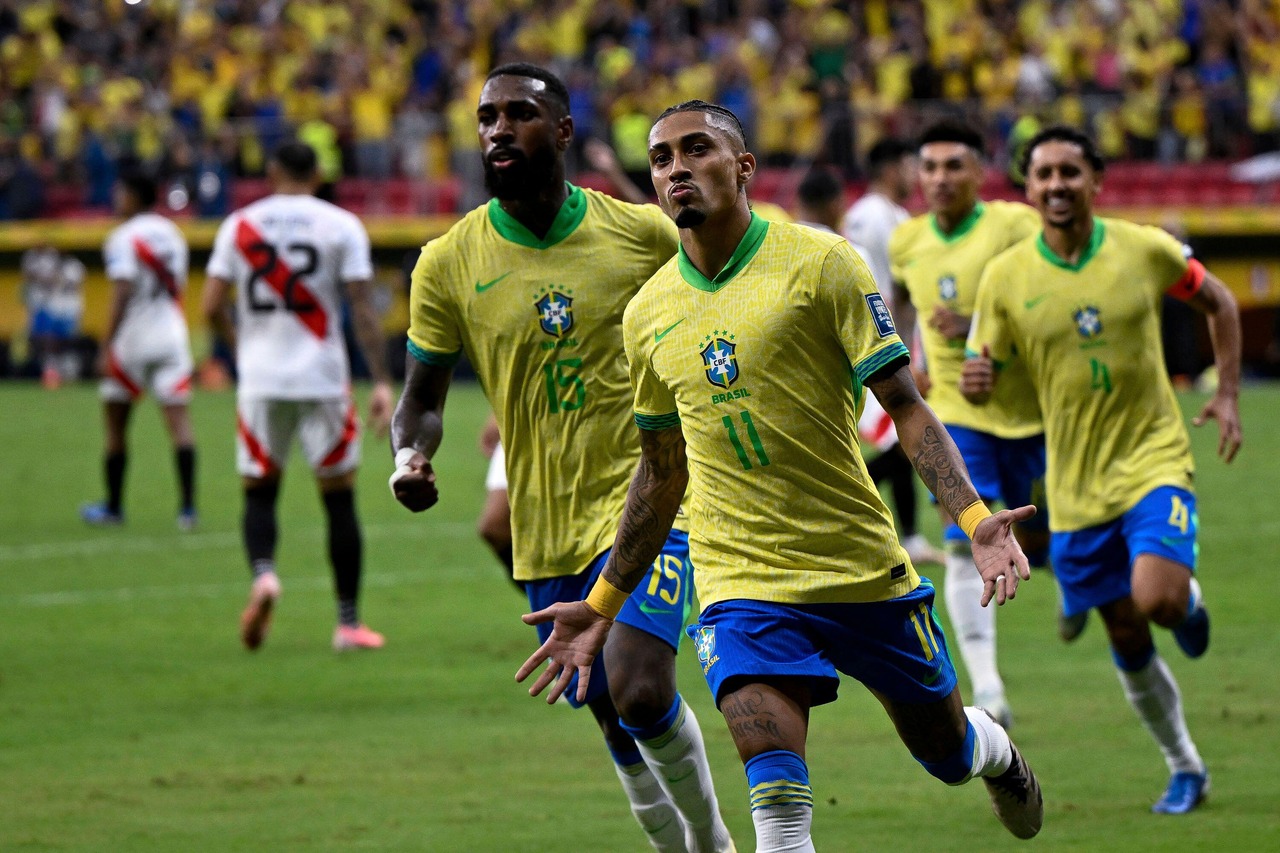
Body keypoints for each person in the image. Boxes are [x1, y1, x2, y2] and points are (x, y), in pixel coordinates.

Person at [517, 100, 1043, 852]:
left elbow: (906, 405)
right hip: (740, 579)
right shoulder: (648, 313)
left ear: (743, 167)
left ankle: (991, 749)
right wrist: (602, 603)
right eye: (661, 158)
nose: (675, 170)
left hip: (858, 564)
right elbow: (661, 472)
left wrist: (973, 520)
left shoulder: (822, 262)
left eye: (696, 150)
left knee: (945, 752)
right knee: (776, 797)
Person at [389, 64, 734, 852]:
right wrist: (410, 453)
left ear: (565, 131)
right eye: (487, 117)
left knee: (639, 684)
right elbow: (423, 397)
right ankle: (672, 838)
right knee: (607, 706)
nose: (499, 129)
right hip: (544, 521)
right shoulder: (448, 262)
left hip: (651, 499)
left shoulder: (641, 234)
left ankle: (713, 842)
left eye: (520, 114)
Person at [962, 125, 1242, 815]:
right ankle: (1186, 765)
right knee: (1125, 632)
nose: (1056, 184)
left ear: (1096, 180)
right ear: (1028, 190)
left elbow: (1221, 303)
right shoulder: (1004, 277)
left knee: (1159, 600)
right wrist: (977, 380)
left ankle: (1189, 600)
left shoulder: (1143, 247)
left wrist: (1228, 392)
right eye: (1043, 174)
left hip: (1153, 455)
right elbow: (986, 374)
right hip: (1075, 484)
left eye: (1069, 172)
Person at [888, 121, 1062, 729]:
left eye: (953, 166)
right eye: (929, 167)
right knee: (966, 538)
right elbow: (903, 303)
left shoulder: (1014, 225)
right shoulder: (906, 240)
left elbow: (1052, 286)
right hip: (958, 416)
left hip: (1034, 410)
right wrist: (912, 355)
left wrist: (983, 328)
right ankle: (989, 686)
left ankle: (1079, 585)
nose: (938, 178)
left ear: (980, 173)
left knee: (1043, 541)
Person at [203, 140, 392, 654]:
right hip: (323, 378)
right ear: (318, 175)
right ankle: (348, 623)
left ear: (271, 170)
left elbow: (210, 305)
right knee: (339, 500)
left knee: (259, 490)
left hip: (261, 379)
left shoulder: (239, 225)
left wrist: (243, 349)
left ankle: (264, 575)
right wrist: (379, 379)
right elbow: (361, 307)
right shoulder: (340, 225)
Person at [81, 167, 197, 529]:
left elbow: (122, 290)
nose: (116, 198)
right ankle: (187, 510)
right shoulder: (174, 234)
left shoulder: (122, 237)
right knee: (179, 423)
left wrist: (106, 344)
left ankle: (114, 507)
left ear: (132, 195)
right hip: (171, 334)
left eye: (120, 191)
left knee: (116, 424)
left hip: (133, 338)